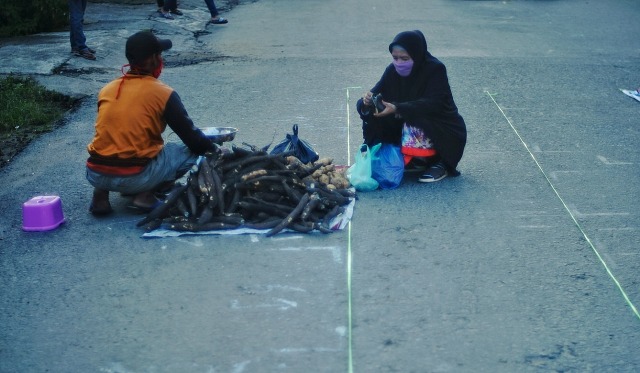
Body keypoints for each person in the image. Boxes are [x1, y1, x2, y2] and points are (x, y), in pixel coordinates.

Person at [85, 31, 215, 215]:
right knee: (185, 151)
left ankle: (100, 196)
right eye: (160, 54)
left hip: (95, 173)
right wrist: (214, 150)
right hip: (136, 176)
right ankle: (144, 195)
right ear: (154, 58)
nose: (161, 59)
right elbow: (191, 138)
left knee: (112, 143)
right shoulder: (163, 93)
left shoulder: (107, 89)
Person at [357, 30, 467, 183]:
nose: (399, 63)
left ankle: (438, 162)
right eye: (395, 58)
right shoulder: (392, 71)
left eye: (404, 58)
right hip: (407, 120)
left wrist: (397, 108)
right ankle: (413, 159)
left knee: (412, 114)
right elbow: (377, 93)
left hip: (441, 128)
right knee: (379, 113)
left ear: (417, 55)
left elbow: (433, 104)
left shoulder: (435, 69)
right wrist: (367, 101)